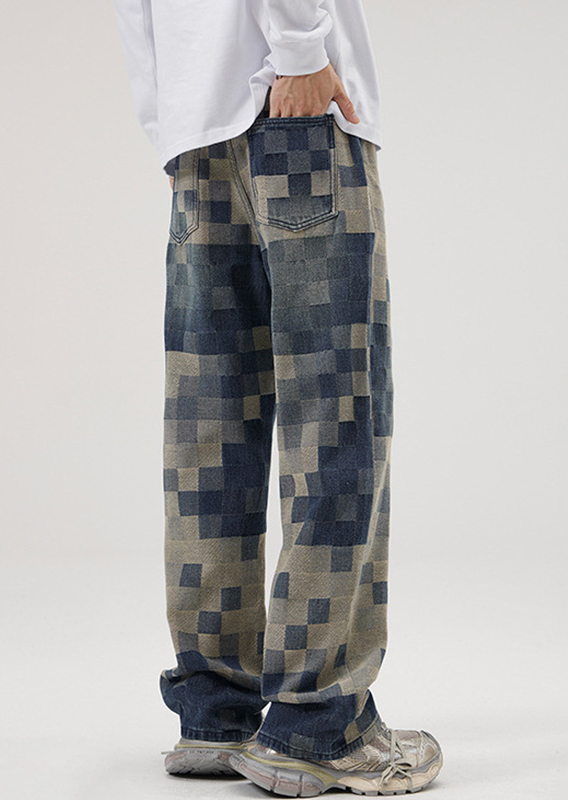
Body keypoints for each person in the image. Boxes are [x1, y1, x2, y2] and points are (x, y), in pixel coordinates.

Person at [112, 1, 443, 795]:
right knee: (337, 414)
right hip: (292, 113)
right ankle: (317, 722)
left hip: (198, 136)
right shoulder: (294, 66)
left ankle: (215, 708)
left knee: (211, 424)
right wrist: (300, 51)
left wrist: (168, 121)